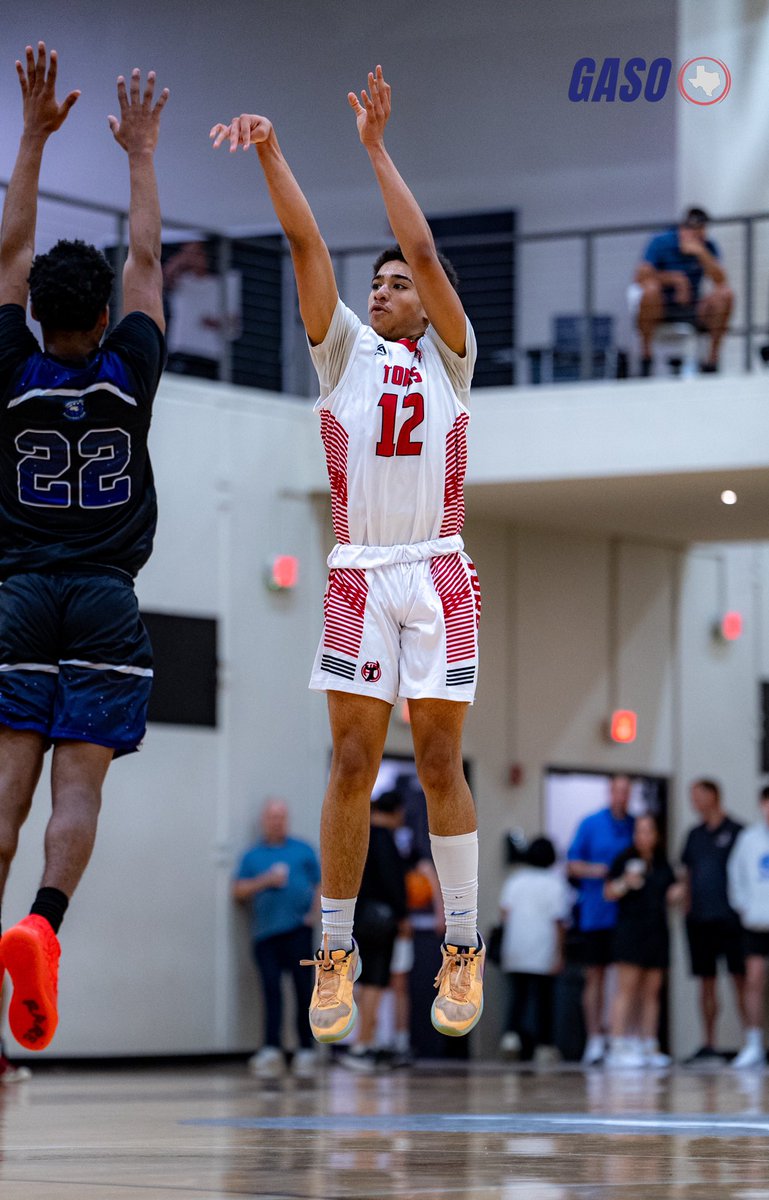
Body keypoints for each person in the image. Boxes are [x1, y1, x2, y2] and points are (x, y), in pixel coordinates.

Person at [211, 65, 484, 1044]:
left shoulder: (450, 355)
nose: (385, 287)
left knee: (442, 758)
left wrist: (373, 149)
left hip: (439, 569)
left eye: (398, 282)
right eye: (377, 284)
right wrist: (276, 150)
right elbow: (303, 243)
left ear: (426, 298)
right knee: (349, 763)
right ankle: (332, 953)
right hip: (358, 572)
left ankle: (461, 943)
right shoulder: (344, 354)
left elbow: (420, 241)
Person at [0, 44, 168, 1051]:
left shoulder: (10, 366)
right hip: (106, 597)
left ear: (37, 318)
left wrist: (32, 134)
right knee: (79, 789)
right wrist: (139, 151)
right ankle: (41, 925)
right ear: (103, 320)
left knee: (7, 792)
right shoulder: (131, 368)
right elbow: (146, 255)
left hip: (17, 595)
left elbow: (9, 248)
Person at [233, 799, 320, 1078]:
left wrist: (313, 915)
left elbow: (321, 883)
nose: (277, 821)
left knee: (302, 989)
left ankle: (306, 1048)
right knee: (271, 990)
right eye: (272, 816)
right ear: (264, 820)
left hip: (298, 931)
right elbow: (238, 890)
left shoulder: (303, 850)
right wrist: (266, 881)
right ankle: (271, 1047)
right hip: (266, 934)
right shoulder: (252, 856)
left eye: (282, 816)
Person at [604, 814, 684, 1068]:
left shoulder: (662, 864)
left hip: (657, 932)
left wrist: (684, 888)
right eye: (639, 831)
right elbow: (609, 892)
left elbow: (672, 893)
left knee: (652, 991)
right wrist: (624, 883)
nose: (643, 836)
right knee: (626, 989)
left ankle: (648, 1044)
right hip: (630, 931)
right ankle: (617, 1045)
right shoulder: (624, 859)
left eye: (648, 831)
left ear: (656, 834)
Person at [567, 775, 635, 1065]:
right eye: (617, 790)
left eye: (626, 791)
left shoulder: (635, 826)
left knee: (625, 978)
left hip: (627, 916)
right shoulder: (591, 823)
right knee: (595, 976)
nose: (622, 796)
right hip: (596, 913)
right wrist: (603, 871)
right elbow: (572, 864)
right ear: (610, 792)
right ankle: (594, 1037)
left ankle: (620, 1037)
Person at [680, 779, 745, 1065]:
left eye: (698, 796)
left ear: (714, 796)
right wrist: (686, 906)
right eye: (691, 797)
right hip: (700, 920)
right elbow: (686, 874)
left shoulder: (738, 832)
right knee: (706, 983)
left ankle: (751, 1042)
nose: (694, 801)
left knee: (740, 980)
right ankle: (709, 1044)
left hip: (732, 920)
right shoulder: (693, 835)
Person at [343, 791, 408, 1072]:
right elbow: (394, 883)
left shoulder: (361, 836)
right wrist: (403, 916)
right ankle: (363, 1045)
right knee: (374, 982)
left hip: (359, 917)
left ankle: (364, 1041)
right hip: (380, 921)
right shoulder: (384, 840)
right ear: (396, 812)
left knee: (364, 980)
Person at [633, 206, 733, 374]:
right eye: (691, 229)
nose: (696, 234)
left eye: (700, 230)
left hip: (693, 306)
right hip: (663, 305)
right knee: (650, 290)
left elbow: (720, 280)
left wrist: (702, 254)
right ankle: (646, 357)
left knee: (725, 294)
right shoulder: (661, 241)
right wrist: (676, 280)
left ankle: (711, 361)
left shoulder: (707, 246)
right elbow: (640, 276)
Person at [498, 836, 571, 1063]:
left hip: (516, 947)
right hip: (543, 947)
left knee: (517, 996)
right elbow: (559, 922)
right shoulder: (556, 883)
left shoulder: (516, 880)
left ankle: (511, 1037)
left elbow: (505, 914)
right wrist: (560, 953)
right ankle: (544, 1045)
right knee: (544, 999)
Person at [727, 785, 769, 1069]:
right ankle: (754, 1043)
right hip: (756, 923)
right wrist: (743, 907)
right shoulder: (749, 839)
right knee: (753, 981)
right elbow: (735, 875)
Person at [162, 240, 241, 380]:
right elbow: (165, 279)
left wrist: (216, 323)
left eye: (197, 253)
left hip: (210, 356)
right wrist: (181, 258)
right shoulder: (183, 281)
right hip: (181, 351)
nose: (193, 258)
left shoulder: (225, 283)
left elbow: (234, 325)